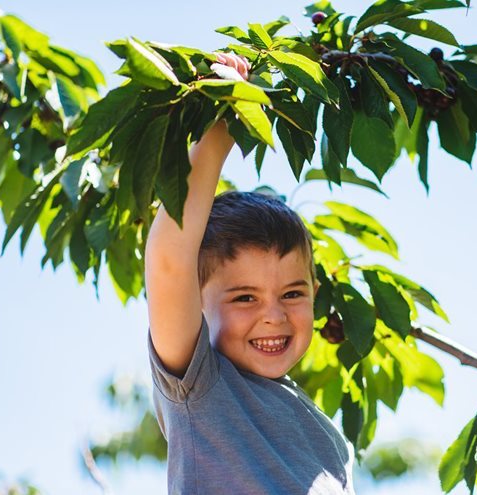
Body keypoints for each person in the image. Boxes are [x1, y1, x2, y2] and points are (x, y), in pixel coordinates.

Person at [144, 51, 355, 494]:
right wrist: (224, 124)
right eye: (245, 297)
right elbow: (168, 264)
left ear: (315, 292)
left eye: (293, 294)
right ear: (196, 303)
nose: (274, 316)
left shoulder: (327, 436)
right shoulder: (201, 388)